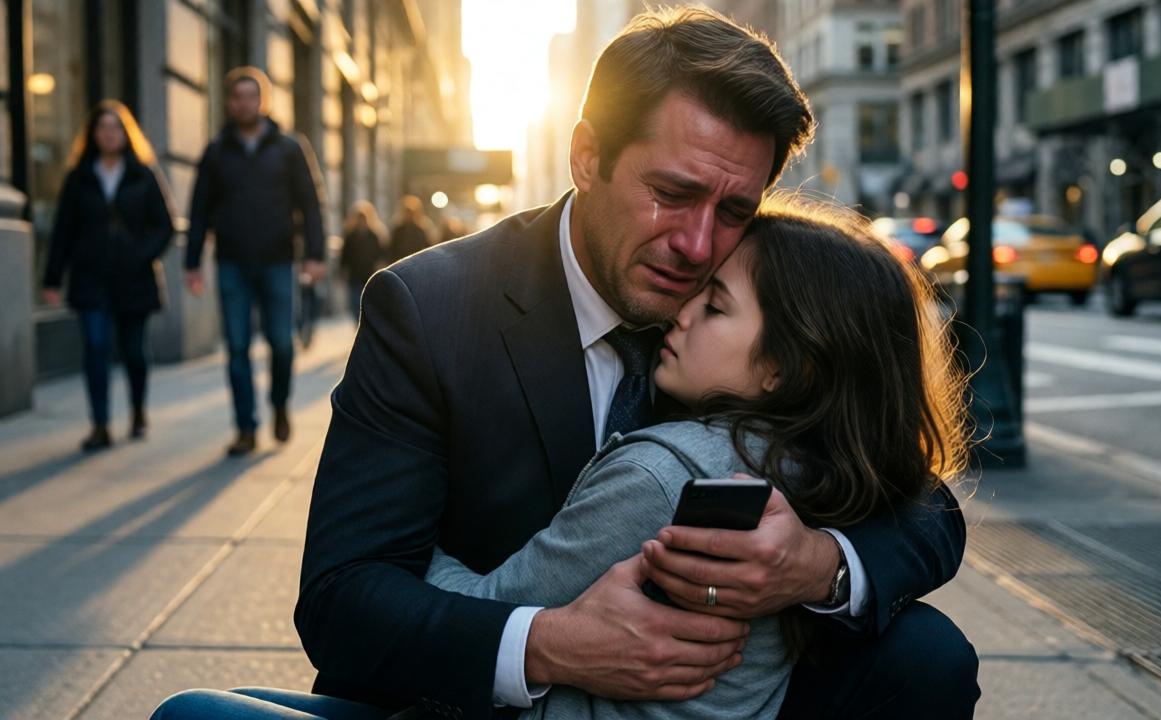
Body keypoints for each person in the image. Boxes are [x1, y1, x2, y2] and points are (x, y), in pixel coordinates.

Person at [152, 7, 975, 719]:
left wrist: (817, 565)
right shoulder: (431, 310)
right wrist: (547, 646)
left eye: (733, 209)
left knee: (926, 655)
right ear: (586, 156)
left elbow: (920, 501)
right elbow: (343, 597)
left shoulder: (750, 311)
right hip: (471, 699)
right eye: (672, 191)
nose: (696, 245)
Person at [417, 194, 973, 718]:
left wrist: (414, 537)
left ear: (783, 367)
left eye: (714, 306)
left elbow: (487, 612)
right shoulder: (824, 463)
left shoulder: (661, 477)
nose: (682, 312)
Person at [184, 66, 326, 456]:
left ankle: (279, 404)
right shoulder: (216, 152)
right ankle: (246, 428)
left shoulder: (289, 148)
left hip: (279, 261)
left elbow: (310, 204)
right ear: (229, 102)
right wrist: (192, 262)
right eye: (237, 97)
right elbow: (199, 211)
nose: (244, 103)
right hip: (232, 263)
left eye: (251, 96)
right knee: (237, 348)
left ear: (262, 101)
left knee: (282, 343)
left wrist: (316, 254)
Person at [41, 100, 174, 452]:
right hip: (91, 277)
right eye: (102, 127)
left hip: (133, 279)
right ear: (92, 134)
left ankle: (138, 412)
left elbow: (165, 226)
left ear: (125, 133)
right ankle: (99, 424)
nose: (109, 134)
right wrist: (52, 278)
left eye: (115, 127)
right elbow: (63, 231)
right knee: (96, 347)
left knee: (133, 350)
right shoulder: (79, 177)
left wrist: (140, 256)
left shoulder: (142, 174)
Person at [339, 201, 387, 322]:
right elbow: (344, 255)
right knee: (354, 302)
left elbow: (381, 253)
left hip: (369, 274)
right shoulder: (350, 236)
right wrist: (342, 271)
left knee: (368, 300)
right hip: (354, 274)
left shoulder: (374, 235)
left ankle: (366, 322)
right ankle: (358, 322)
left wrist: (380, 266)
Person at [387, 195, 436, 261]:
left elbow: (429, 246)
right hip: (401, 262)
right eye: (407, 212)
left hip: (418, 261)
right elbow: (392, 249)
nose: (409, 215)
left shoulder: (423, 227)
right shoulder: (398, 229)